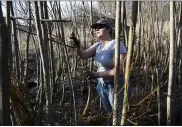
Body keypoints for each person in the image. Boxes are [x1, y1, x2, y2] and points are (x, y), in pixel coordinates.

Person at [70, 19, 127, 124]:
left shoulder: (117, 44)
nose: (96, 29)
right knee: (111, 114)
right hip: (101, 85)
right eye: (95, 28)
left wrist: (97, 74)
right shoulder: (98, 45)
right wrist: (78, 46)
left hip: (115, 86)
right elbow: (84, 55)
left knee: (119, 116)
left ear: (109, 29)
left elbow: (119, 70)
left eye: (100, 27)